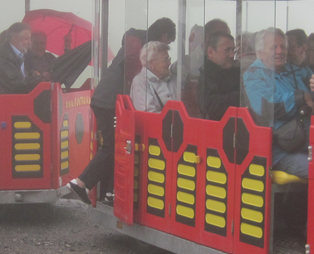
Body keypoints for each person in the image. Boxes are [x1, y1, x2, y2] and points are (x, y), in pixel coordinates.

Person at [62, 17, 176, 204]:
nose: (167, 48)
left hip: (108, 99)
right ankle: (80, 183)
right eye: (168, 42)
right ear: (163, 36)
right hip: (109, 101)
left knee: (116, 146)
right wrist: (141, 84)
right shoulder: (137, 45)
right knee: (112, 146)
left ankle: (109, 191)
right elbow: (133, 69)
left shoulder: (137, 40)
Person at [243, 28, 313, 177]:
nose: (280, 51)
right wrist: (299, 97)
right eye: (273, 47)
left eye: (283, 47)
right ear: (260, 52)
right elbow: (267, 106)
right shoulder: (253, 75)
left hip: (310, 143)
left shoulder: (297, 71)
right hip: (282, 151)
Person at [0, 22, 39, 95]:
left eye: (30, 39)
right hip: (1, 99)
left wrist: (34, 75)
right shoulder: (2, 56)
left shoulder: (26, 55)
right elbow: (16, 83)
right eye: (26, 39)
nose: (30, 42)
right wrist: (38, 79)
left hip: (18, 98)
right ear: (15, 38)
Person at [197, 31, 240, 121]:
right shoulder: (206, 75)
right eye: (226, 50)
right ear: (210, 52)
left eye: (233, 50)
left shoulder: (236, 71)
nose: (232, 55)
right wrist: (241, 95)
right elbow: (210, 106)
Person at [131, 41, 178, 112]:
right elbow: (149, 114)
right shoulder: (140, 82)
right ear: (152, 63)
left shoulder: (173, 79)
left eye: (169, 59)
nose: (169, 63)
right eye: (165, 60)